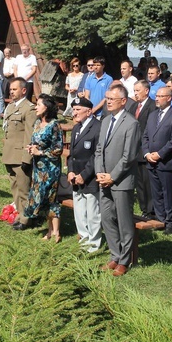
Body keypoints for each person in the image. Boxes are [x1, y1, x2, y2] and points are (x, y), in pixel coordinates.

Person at [95, 85, 140, 276]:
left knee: (124, 221)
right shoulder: (105, 121)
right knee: (106, 218)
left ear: (123, 101)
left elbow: (128, 156)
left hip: (121, 181)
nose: (108, 101)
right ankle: (115, 255)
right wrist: (100, 173)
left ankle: (124, 260)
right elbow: (99, 150)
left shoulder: (131, 124)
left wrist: (112, 176)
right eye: (106, 98)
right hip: (103, 179)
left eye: (112, 98)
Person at [16, 94, 63, 242]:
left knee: (51, 199)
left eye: (39, 104)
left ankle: (55, 232)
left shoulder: (55, 125)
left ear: (47, 107)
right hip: (38, 168)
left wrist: (40, 152)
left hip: (50, 169)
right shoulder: (37, 123)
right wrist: (32, 147)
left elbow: (58, 149)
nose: (36, 107)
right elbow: (36, 140)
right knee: (41, 198)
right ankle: (49, 231)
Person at [142, 87, 172, 234]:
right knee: (156, 193)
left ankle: (171, 223)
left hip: (166, 162)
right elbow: (145, 136)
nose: (157, 98)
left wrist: (159, 154)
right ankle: (161, 220)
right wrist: (147, 153)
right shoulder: (153, 115)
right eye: (156, 96)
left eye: (161, 96)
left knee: (168, 193)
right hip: (151, 161)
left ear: (169, 98)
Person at [67, 97, 102, 252]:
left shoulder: (98, 127)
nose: (75, 113)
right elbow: (72, 154)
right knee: (80, 210)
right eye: (73, 109)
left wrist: (85, 174)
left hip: (90, 177)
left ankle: (94, 243)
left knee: (92, 212)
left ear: (89, 111)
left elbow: (97, 154)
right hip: (76, 176)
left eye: (78, 109)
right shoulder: (76, 128)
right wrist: (70, 171)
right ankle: (84, 238)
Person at [3, 78, 38, 228]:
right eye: (10, 89)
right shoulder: (11, 107)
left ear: (24, 90)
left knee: (24, 189)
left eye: (15, 89)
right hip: (9, 153)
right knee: (15, 187)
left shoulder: (29, 109)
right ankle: (19, 213)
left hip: (20, 155)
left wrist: (27, 158)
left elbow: (29, 135)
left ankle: (26, 219)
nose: (11, 92)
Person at [133, 80, 156, 219]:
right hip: (135, 151)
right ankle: (144, 210)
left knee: (148, 183)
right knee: (139, 183)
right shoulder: (135, 106)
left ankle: (151, 210)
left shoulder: (152, 106)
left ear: (146, 91)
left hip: (146, 150)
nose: (135, 93)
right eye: (134, 91)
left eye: (137, 90)